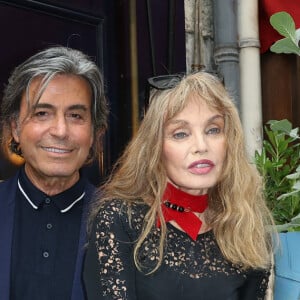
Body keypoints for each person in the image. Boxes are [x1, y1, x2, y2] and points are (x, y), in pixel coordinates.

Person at [83, 72, 275, 300]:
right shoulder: (119, 219)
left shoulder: (245, 224)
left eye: (213, 130)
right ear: (155, 147)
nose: (201, 146)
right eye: (181, 133)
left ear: (230, 140)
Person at [0, 46, 109, 300]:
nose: (60, 130)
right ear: (15, 128)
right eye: (42, 113)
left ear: (94, 133)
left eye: (75, 115)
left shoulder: (123, 222)